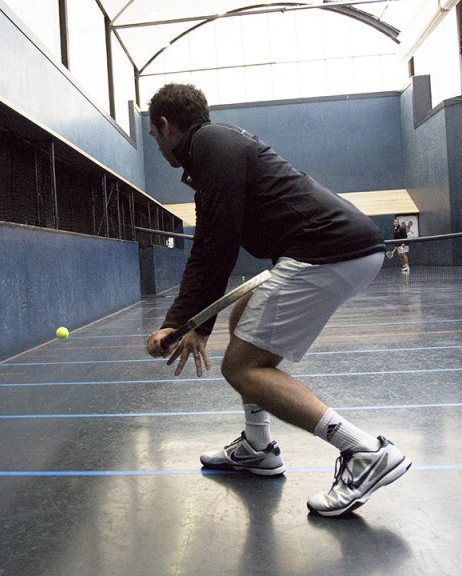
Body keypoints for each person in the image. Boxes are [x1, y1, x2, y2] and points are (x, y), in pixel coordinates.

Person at [144, 84, 411, 517]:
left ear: (164, 125)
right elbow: (216, 241)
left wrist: (183, 323)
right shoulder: (216, 146)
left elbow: (215, 243)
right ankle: (258, 446)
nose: (158, 147)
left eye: (155, 137)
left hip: (325, 250)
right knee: (242, 316)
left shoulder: (210, 145)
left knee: (242, 367)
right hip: (333, 248)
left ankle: (364, 452)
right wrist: (196, 323)